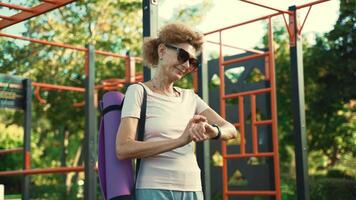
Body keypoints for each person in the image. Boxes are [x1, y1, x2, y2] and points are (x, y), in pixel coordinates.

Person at [116, 23, 238, 200]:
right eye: (183, 56)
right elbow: (123, 148)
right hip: (153, 189)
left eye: (192, 62)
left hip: (193, 189)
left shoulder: (191, 97)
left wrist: (213, 131)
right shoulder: (138, 92)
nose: (187, 65)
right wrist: (181, 140)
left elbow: (231, 130)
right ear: (162, 51)